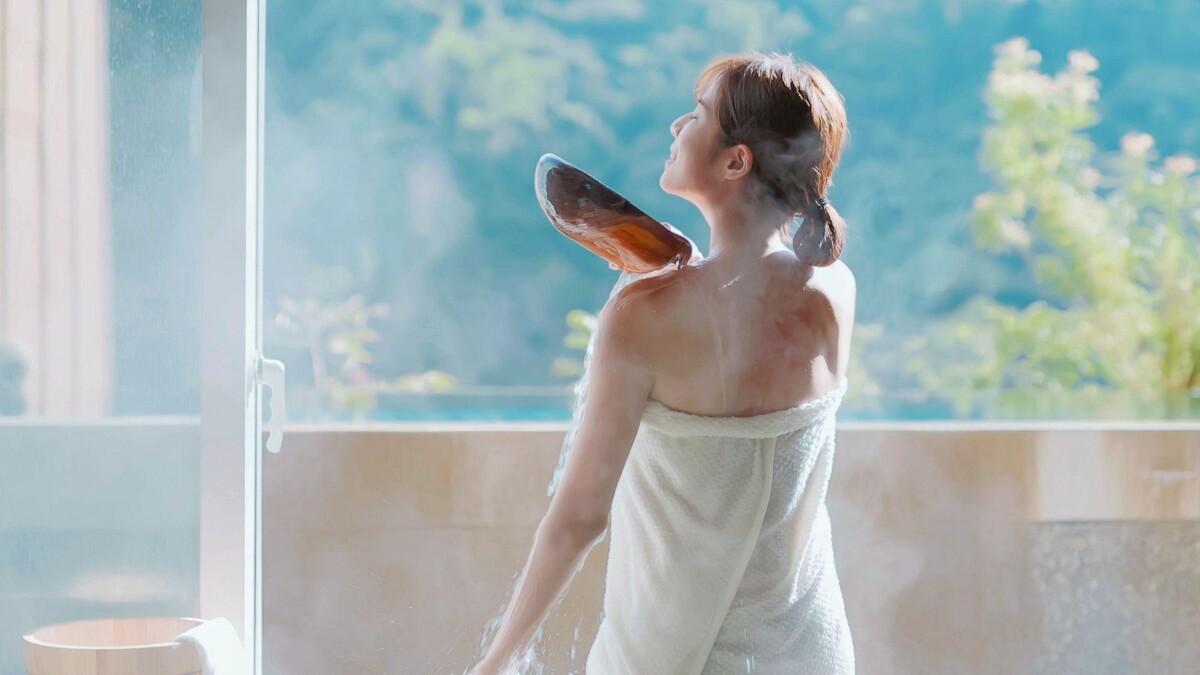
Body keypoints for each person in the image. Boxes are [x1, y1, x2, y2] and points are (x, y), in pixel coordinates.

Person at [470, 51, 856, 675]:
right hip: (810, 654)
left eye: (698, 113)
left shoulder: (646, 315)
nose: (678, 125)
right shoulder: (835, 289)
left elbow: (578, 520)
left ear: (736, 161)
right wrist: (686, 266)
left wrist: (495, 662)